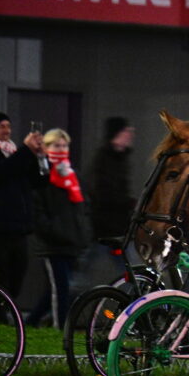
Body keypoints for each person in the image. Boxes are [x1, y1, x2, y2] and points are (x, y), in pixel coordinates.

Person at [0, 111, 45, 319]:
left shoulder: (14, 152)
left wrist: (39, 157)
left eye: (8, 126)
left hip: (18, 228)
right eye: (1, 126)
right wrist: (25, 151)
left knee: (17, 275)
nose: (7, 131)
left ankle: (1, 313)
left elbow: (37, 182)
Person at [26, 129, 91, 328]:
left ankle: (31, 322)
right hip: (53, 244)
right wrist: (54, 231)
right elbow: (38, 212)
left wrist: (82, 234)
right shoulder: (42, 175)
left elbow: (82, 207)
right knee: (60, 288)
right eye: (56, 145)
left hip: (72, 242)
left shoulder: (73, 174)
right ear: (46, 148)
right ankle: (60, 328)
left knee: (59, 289)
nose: (61, 149)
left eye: (64, 145)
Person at [81, 116, 136, 287]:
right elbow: (103, 193)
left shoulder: (120, 158)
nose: (130, 134)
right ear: (117, 134)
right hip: (104, 229)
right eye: (126, 131)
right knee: (79, 276)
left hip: (116, 228)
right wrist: (129, 203)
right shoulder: (104, 160)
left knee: (131, 273)